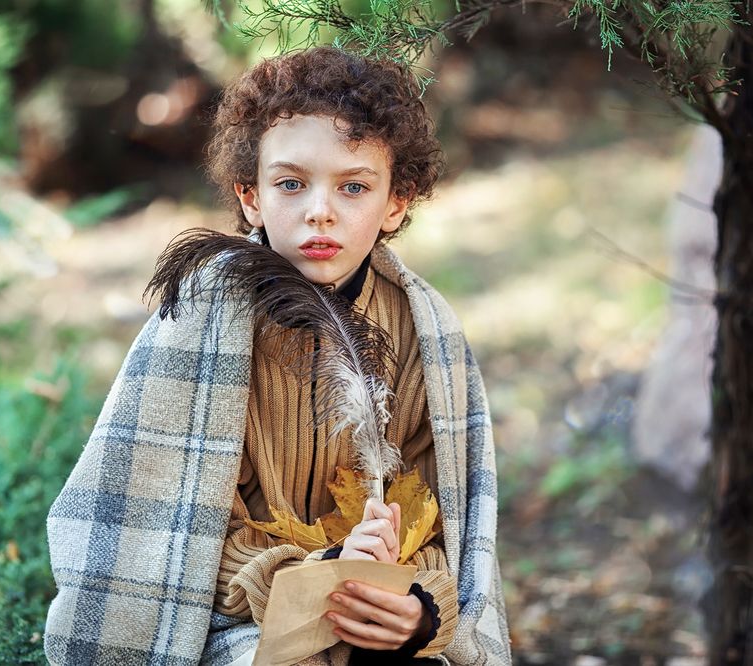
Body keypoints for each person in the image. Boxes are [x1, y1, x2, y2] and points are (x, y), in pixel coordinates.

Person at [44, 47, 511, 666]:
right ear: (251, 197)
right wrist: (311, 576)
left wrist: (419, 608)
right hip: (229, 620)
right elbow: (171, 535)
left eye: (354, 186)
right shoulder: (203, 323)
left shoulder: (423, 331)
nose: (320, 209)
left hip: (380, 617)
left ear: (396, 201)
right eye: (291, 183)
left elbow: (436, 516)